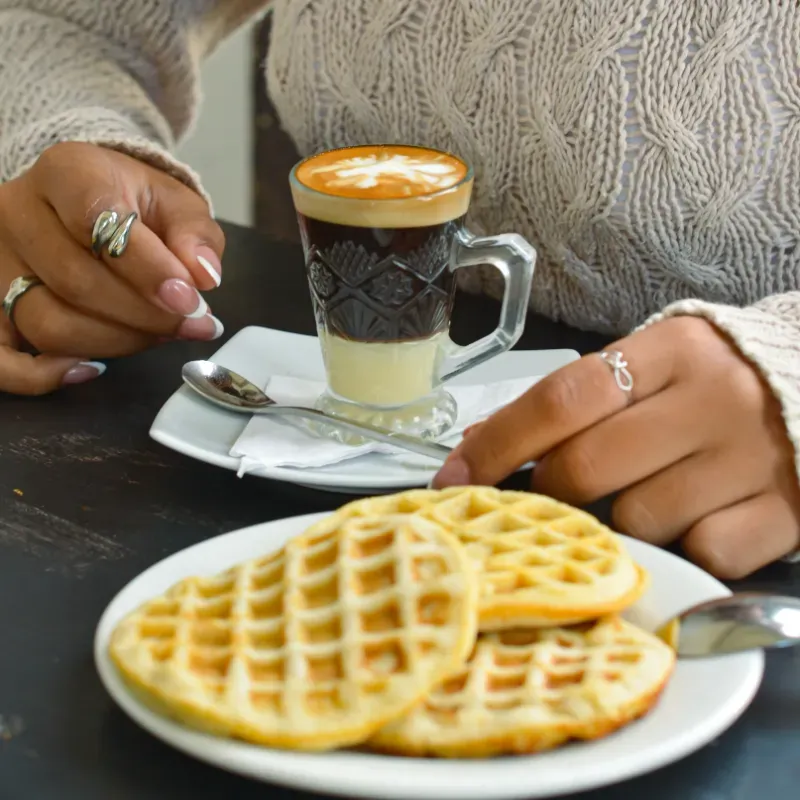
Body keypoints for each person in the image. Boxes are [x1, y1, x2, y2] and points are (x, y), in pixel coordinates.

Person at [0, 1, 797, 575]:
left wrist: (787, 364)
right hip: (257, 526)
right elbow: (64, 24)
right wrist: (55, 158)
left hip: (710, 550)